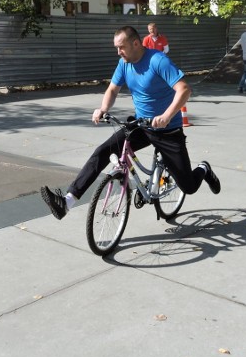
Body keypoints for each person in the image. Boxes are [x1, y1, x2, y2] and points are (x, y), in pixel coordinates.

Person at [40, 25, 220, 220]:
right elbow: (112, 90)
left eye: (121, 47)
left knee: (189, 186)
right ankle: (67, 201)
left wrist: (167, 116)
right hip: (141, 125)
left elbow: (184, 89)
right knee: (103, 151)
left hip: (167, 130)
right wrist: (103, 109)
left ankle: (204, 168)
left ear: (135, 43)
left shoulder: (158, 61)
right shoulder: (124, 64)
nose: (119, 52)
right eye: (116, 48)